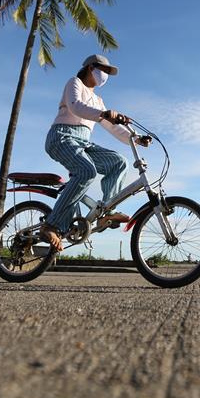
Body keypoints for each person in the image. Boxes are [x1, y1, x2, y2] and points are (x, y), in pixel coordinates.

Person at [40, 54, 151, 251]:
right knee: (87, 171)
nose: (105, 75)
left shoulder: (98, 100)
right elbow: (76, 107)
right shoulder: (74, 83)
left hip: (82, 142)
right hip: (61, 137)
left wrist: (136, 139)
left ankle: (106, 212)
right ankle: (52, 225)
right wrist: (103, 114)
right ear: (91, 67)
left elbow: (113, 127)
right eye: (104, 70)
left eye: (108, 73)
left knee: (119, 163)